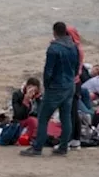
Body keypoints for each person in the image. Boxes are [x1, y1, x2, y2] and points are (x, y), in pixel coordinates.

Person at [21, 22, 81, 157]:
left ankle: (37, 148)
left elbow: (48, 71)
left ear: (54, 32)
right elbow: (77, 66)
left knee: (43, 117)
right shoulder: (73, 46)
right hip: (69, 85)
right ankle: (63, 146)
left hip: (56, 87)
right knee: (66, 117)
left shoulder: (53, 49)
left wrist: (47, 86)